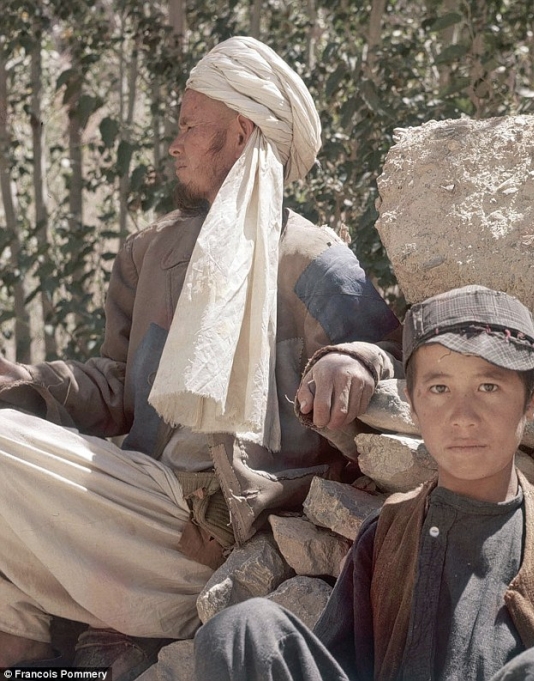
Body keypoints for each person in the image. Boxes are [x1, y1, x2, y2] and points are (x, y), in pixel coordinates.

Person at [0, 36, 402, 674]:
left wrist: (352, 360)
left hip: (222, 532)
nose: (174, 144)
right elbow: (115, 389)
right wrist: (25, 382)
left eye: (191, 126)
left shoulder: (313, 259)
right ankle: (22, 654)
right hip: (139, 498)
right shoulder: (153, 253)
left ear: (241, 133)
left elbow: (395, 359)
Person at [193, 285, 534, 681]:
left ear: (531, 402)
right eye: (439, 389)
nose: (462, 417)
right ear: (412, 402)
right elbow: (341, 664)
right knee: (242, 631)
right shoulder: (384, 536)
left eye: (489, 388)